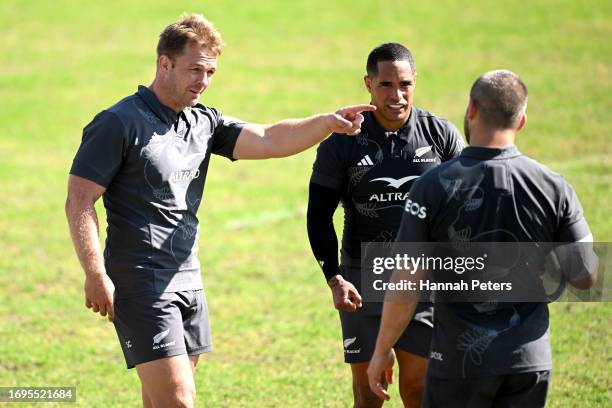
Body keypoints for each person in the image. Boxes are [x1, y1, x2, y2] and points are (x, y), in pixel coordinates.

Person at [65, 13, 374, 408]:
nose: (204, 81)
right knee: (178, 399)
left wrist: (326, 123)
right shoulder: (118, 123)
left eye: (210, 71)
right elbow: (78, 199)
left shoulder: (203, 121)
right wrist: (94, 273)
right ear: (165, 64)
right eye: (195, 70)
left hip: (189, 278)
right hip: (141, 281)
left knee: (161, 400)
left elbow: (268, 137)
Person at [367, 70, 598, 407]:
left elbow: (406, 280)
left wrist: (382, 349)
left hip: (457, 364)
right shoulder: (554, 186)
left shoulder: (431, 186)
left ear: (471, 109)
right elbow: (587, 276)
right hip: (528, 362)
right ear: (521, 121)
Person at [307, 43, 464, 407]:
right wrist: (334, 277)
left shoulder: (440, 136)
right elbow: (318, 215)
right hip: (364, 277)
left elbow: (464, 210)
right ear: (368, 84)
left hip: (424, 275)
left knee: (418, 389)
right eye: (386, 85)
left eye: (405, 84)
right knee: (368, 394)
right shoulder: (342, 142)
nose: (397, 95)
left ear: (415, 83)